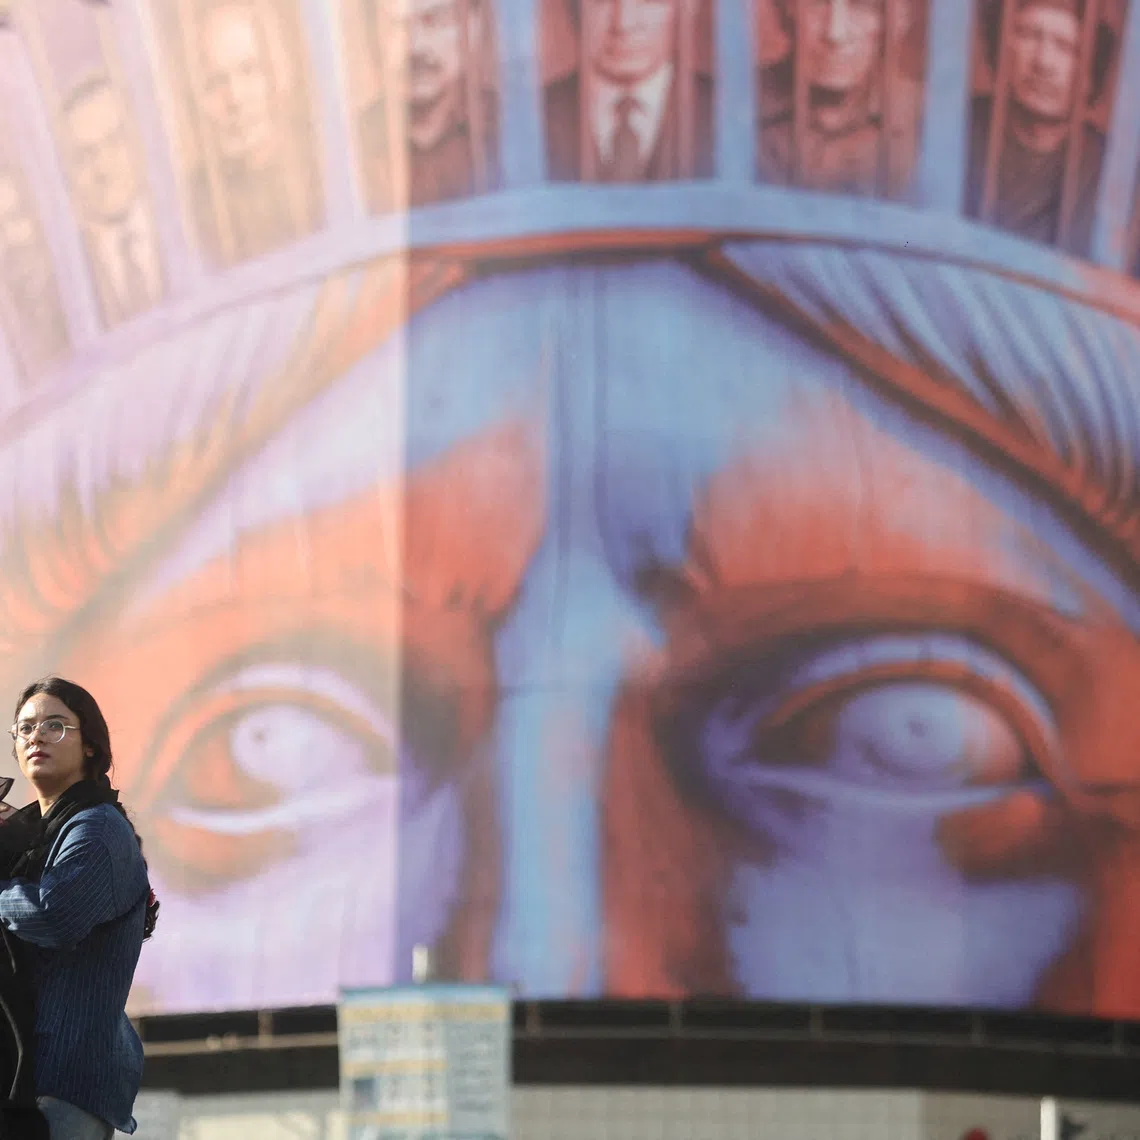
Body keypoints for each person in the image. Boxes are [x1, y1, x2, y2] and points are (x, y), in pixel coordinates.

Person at [0, 678, 158, 1139]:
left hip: (62, 1084)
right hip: (25, 1079)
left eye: (55, 726)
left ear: (90, 745)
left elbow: (55, 914)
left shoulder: (98, 828)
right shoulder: (30, 835)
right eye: (25, 728)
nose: (36, 736)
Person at [966, 0, 1114, 255]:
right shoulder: (957, 128)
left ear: (1090, 73)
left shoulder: (1111, 170)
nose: (1043, 63)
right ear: (1001, 45)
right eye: (1029, 35)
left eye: (1067, 48)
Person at [186, 0, 322, 263]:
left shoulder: (325, 166)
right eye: (215, 82)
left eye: (249, 70)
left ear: (281, 73)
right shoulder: (195, 206)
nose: (234, 98)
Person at [756, 0, 924, 197]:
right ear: (786, 9)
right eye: (816, 4)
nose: (835, 33)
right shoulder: (734, 107)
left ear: (900, 19)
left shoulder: (932, 124)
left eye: (862, 6)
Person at [544, 0, 715, 182]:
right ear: (572, 8)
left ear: (688, 7)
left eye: (648, 2)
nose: (623, 24)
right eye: (601, 2)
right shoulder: (531, 119)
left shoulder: (725, 116)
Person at [357, 0, 501, 210]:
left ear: (474, 26)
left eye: (436, 20)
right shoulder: (347, 153)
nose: (415, 45)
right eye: (395, 26)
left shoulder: (515, 136)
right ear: (371, 40)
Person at [61, 76, 164, 326]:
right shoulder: (67, 282)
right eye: (85, 155)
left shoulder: (201, 228)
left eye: (115, 141)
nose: (104, 168)